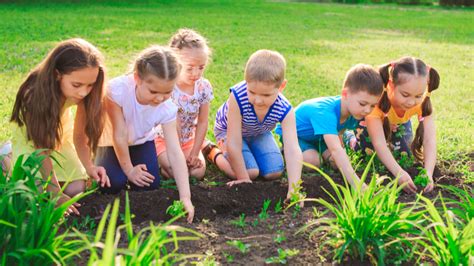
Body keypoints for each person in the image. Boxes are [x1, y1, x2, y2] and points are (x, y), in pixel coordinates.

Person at [10, 38, 110, 215]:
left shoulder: (85, 92)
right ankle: (7, 158)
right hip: (34, 143)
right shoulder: (33, 94)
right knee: (37, 197)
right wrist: (55, 192)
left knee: (75, 190)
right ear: (57, 74)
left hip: (59, 138)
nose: (83, 92)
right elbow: (41, 150)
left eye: (90, 85)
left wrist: (89, 167)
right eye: (77, 85)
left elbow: (80, 136)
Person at [96, 45, 194, 222]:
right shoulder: (117, 91)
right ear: (137, 79)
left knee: (149, 185)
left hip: (141, 142)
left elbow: (174, 150)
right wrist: (130, 170)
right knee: (113, 184)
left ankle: (136, 169)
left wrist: (185, 197)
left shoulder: (167, 108)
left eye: (167, 92)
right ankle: (117, 169)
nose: (159, 98)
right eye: (153, 91)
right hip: (111, 143)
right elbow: (119, 134)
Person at [212, 49, 303, 199]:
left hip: (258, 132)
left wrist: (294, 189)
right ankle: (213, 152)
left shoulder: (285, 109)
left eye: (266, 95)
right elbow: (234, 141)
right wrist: (243, 179)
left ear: (281, 87)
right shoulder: (237, 96)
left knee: (274, 171)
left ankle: (251, 151)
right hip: (229, 132)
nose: (258, 100)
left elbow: (293, 149)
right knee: (251, 172)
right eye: (252, 92)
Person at [277, 64, 383, 188]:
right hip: (297, 137)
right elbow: (336, 149)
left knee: (335, 162)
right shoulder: (325, 113)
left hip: (320, 138)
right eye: (363, 103)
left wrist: (340, 151)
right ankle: (286, 153)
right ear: (345, 94)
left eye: (372, 106)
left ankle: (322, 150)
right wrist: (358, 185)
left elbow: (340, 131)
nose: (367, 110)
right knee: (313, 161)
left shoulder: (355, 111)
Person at [356, 56, 439, 193]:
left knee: (403, 156)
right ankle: (349, 138)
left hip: (396, 125)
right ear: (390, 85)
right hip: (369, 125)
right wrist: (398, 173)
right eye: (405, 95)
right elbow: (379, 143)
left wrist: (428, 172)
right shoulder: (376, 101)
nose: (411, 102)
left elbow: (429, 139)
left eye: (418, 96)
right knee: (370, 156)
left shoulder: (423, 103)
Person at [155, 29, 213, 180]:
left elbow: (202, 121)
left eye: (201, 67)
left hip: (188, 140)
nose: (196, 73)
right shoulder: (169, 86)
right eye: (189, 67)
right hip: (164, 140)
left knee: (197, 173)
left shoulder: (203, 87)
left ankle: (192, 156)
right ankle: (161, 164)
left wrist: (194, 152)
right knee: (177, 171)